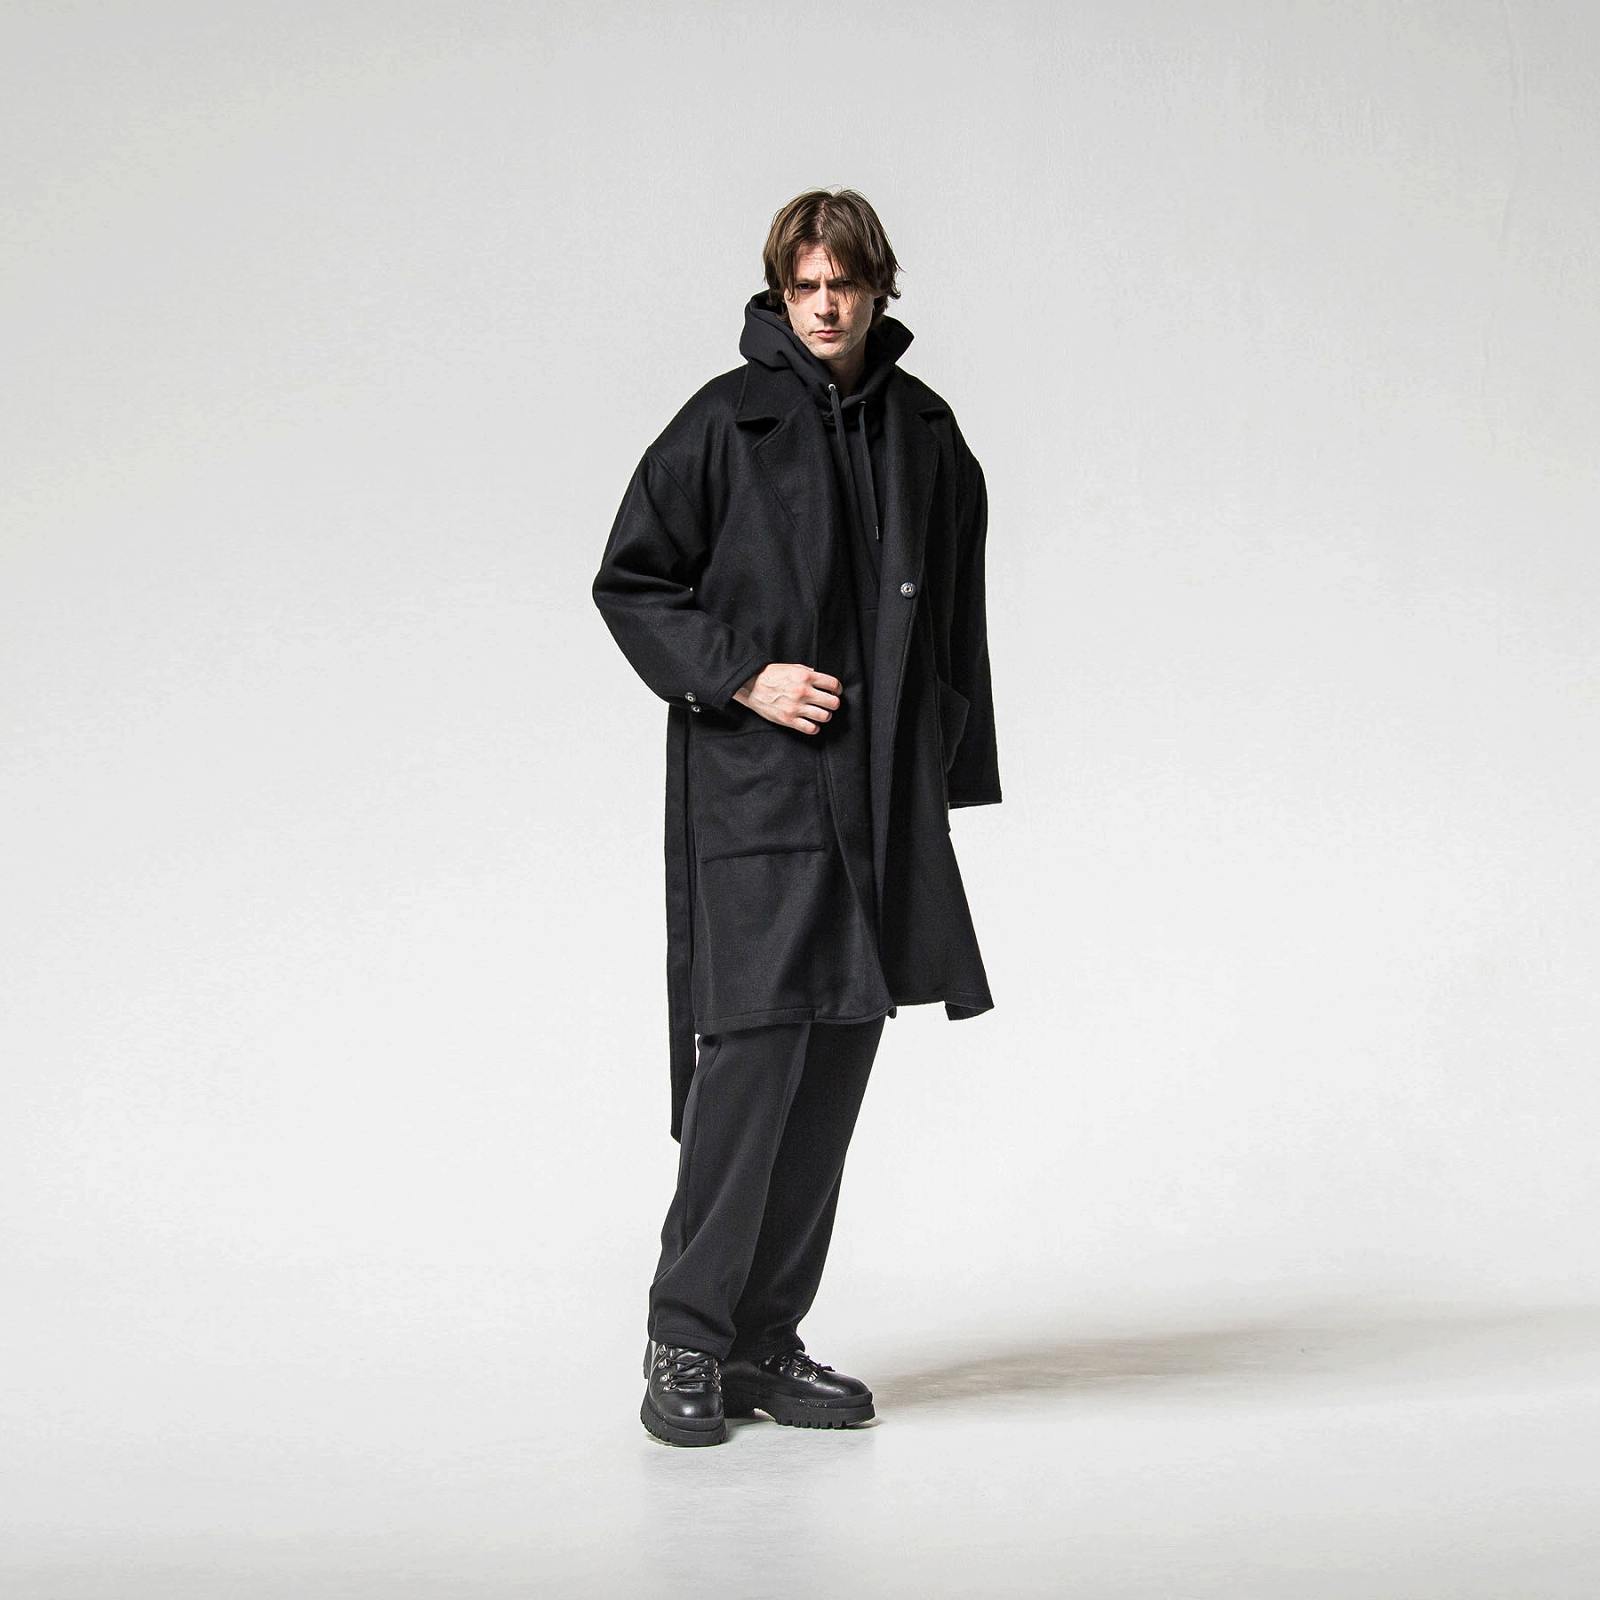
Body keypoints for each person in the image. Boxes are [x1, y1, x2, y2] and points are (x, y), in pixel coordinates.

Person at [592, 187, 1002, 1447]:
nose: (825, 307)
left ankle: (763, 1340)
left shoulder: (925, 432)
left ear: (878, 290)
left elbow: (956, 618)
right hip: (760, 789)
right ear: (780, 292)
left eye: (845, 284)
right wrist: (743, 676)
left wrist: (943, 775)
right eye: (804, 286)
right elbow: (631, 582)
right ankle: (684, 1336)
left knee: (837, 1057)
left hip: (879, 799)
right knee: (755, 1057)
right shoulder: (726, 422)